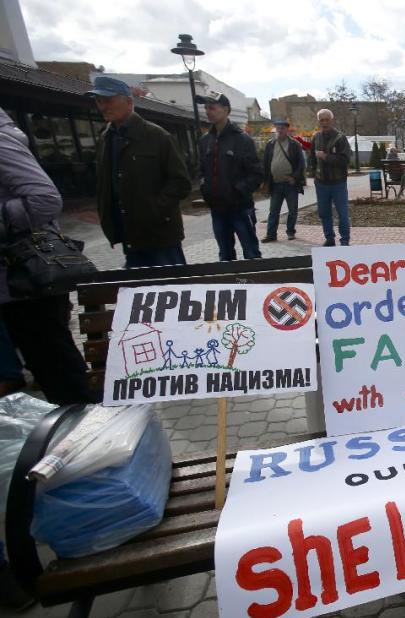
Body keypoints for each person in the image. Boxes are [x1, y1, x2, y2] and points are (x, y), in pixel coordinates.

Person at [0, 109, 95, 405]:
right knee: (49, 362)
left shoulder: (2, 142)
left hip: (27, 276)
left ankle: (84, 432)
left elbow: (46, 199)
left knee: (56, 365)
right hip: (15, 281)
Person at [86, 76, 191, 268]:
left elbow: (180, 182)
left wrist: (154, 210)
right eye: (99, 101)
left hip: (160, 235)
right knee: (138, 290)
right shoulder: (106, 138)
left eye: (108, 100)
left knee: (174, 289)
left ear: (128, 101)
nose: (102, 106)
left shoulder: (156, 136)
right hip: (129, 234)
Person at [196, 92, 263, 260]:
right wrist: (206, 190)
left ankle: (256, 285)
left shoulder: (242, 139)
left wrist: (237, 190)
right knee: (225, 255)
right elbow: (201, 170)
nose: (208, 111)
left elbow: (257, 174)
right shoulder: (205, 141)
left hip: (240, 208)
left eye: (212, 107)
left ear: (226, 110)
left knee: (251, 254)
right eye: (206, 108)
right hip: (217, 209)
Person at [309, 109, 352, 247]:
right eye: (322, 120)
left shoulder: (340, 138)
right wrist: (312, 172)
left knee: (342, 213)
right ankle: (329, 238)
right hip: (321, 183)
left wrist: (326, 157)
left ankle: (344, 240)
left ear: (331, 120)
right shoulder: (315, 137)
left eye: (327, 119)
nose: (324, 122)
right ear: (318, 121)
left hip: (338, 183)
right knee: (323, 212)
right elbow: (311, 158)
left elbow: (345, 160)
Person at [261, 119, 305, 243]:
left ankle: (290, 232)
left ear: (287, 130)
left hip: (290, 184)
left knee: (292, 210)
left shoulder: (294, 144)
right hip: (275, 184)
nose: (279, 130)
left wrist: (294, 177)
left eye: (282, 128)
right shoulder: (270, 144)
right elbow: (265, 164)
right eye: (277, 128)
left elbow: (301, 164)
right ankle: (271, 234)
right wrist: (265, 181)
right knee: (273, 211)